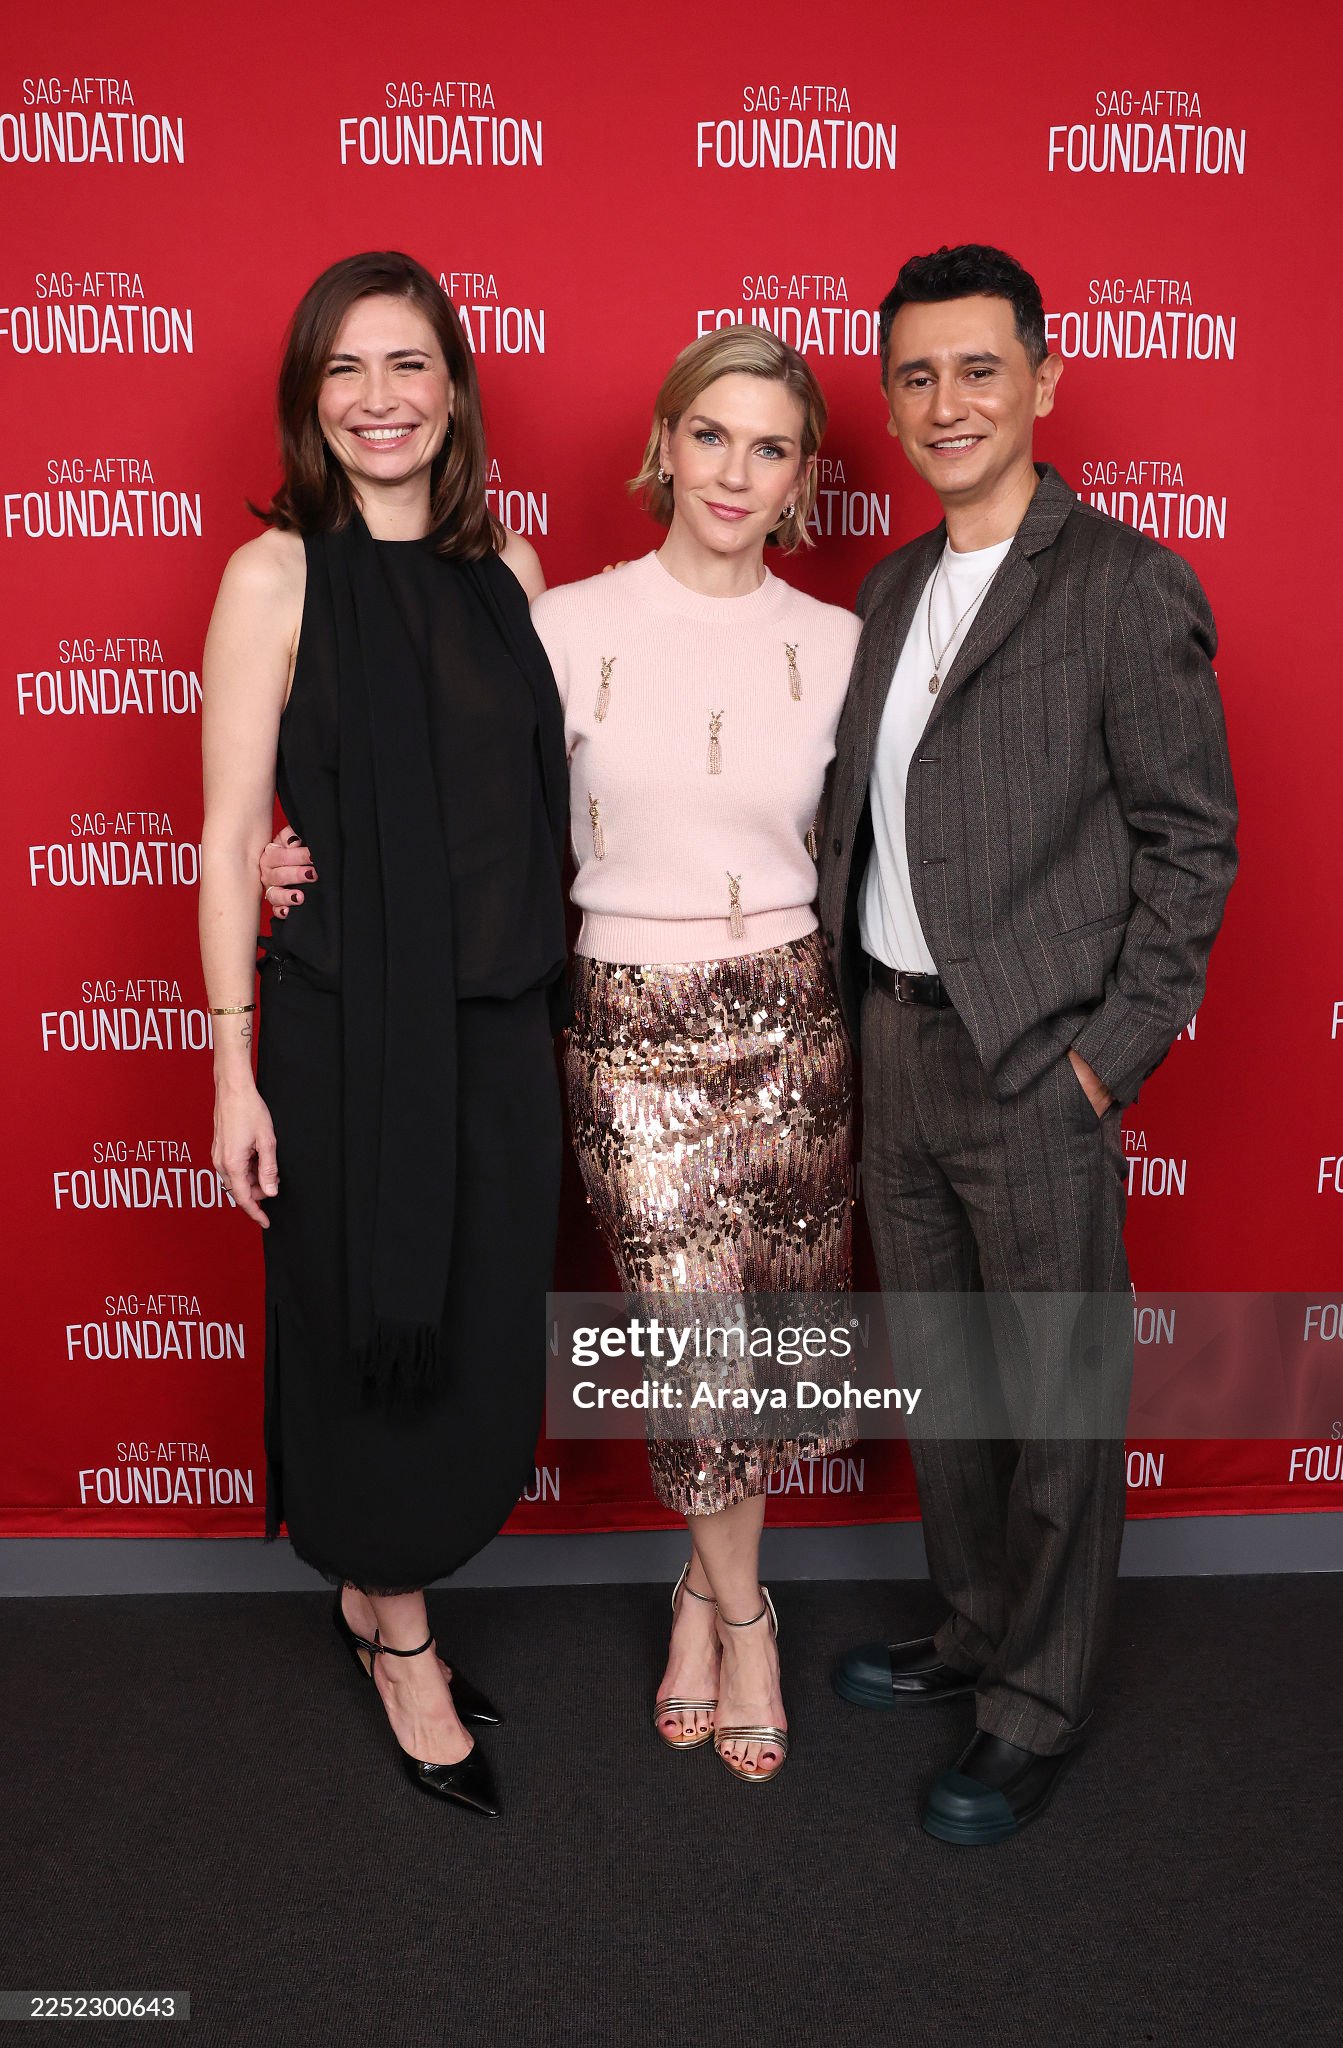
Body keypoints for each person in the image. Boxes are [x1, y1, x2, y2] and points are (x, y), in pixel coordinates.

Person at [266, 325, 862, 1784]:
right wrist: (305, 855)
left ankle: (699, 1594)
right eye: (709, 435)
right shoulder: (558, 616)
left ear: (802, 480)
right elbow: (436, 778)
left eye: (770, 447)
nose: (734, 471)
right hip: (624, 1017)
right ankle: (750, 1623)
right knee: (694, 1344)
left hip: (792, 1014)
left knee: (767, 1352)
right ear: (663, 444)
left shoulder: (845, 646)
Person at [818, 244, 1238, 1843]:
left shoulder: (1122, 584)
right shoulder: (886, 592)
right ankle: (976, 1629)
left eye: (978, 368)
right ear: (889, 403)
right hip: (895, 1047)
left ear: (1043, 381)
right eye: (916, 375)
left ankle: (1036, 1702)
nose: (947, 402)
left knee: (1057, 1396)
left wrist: (1100, 1061)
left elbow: (1191, 845)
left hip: (1032, 1063)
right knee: (947, 1381)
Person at [199, 250, 567, 1817]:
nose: (378, 397)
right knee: (366, 1335)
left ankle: (380, 1592)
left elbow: (538, 810)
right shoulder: (272, 576)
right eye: (344, 369)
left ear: (453, 390)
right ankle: (401, 1642)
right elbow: (231, 837)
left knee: (471, 1335)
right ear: (310, 399)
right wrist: (232, 1068)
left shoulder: (514, 573)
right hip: (345, 1043)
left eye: (407, 363)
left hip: (497, 1035)